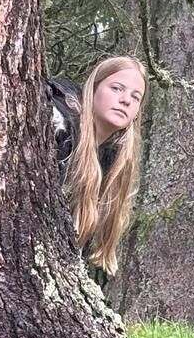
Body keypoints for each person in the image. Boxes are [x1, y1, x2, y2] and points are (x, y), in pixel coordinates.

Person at [48, 55, 145, 274]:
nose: (126, 100)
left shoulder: (111, 165)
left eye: (135, 97)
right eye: (117, 88)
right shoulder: (55, 121)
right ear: (93, 90)